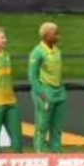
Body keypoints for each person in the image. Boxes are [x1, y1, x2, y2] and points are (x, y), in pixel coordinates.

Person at [28, 22, 66, 153]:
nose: (58, 35)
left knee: (57, 126)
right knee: (43, 124)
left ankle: (56, 149)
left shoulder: (56, 50)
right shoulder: (37, 52)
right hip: (45, 91)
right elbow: (32, 76)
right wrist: (40, 92)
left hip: (59, 92)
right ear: (47, 35)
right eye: (56, 33)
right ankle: (41, 150)